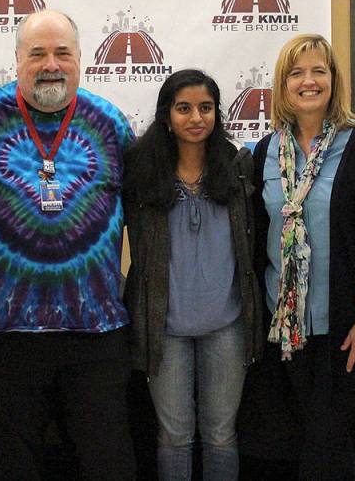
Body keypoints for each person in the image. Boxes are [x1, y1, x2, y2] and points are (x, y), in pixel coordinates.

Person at [0, 9, 136, 479]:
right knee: (13, 467)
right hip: (4, 333)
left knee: (109, 464)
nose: (51, 64)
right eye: (38, 54)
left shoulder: (110, 122)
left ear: (80, 59)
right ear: (17, 60)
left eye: (62, 53)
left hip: (95, 331)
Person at [251, 33, 355, 479]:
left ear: (333, 80)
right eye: (297, 73)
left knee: (335, 444)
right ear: (282, 85)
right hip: (285, 328)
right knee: (300, 442)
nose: (309, 81)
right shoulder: (266, 152)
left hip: (346, 326)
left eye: (318, 71)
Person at [123, 69, 262, 481]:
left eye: (206, 108)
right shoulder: (141, 171)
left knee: (221, 435)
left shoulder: (239, 168)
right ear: (167, 116)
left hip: (227, 325)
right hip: (163, 327)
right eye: (184, 109)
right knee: (174, 438)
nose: (196, 118)